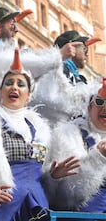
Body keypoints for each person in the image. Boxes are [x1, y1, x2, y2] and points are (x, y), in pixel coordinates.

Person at [0, 48, 79, 221]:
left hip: (36, 205)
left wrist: (53, 176)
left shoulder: (42, 130)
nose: (14, 87)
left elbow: (42, 177)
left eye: (21, 84)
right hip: (2, 207)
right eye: (9, 83)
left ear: (28, 96)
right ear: (0, 92)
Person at [42, 78, 106, 215]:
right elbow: (63, 198)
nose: (105, 108)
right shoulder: (66, 135)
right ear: (89, 108)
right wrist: (98, 158)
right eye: (100, 102)